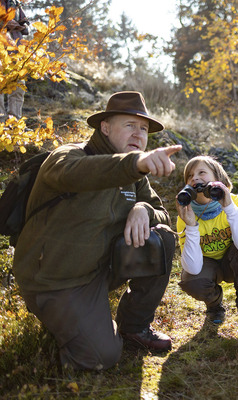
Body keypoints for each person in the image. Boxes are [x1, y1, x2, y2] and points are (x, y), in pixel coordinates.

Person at [12, 91, 182, 370]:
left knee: (161, 236)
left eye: (143, 129)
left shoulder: (135, 174)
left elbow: (161, 212)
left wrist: (143, 209)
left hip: (99, 268)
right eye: (129, 125)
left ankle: (134, 326)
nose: (138, 134)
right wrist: (135, 164)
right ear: (105, 127)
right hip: (55, 280)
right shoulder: (68, 156)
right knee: (103, 356)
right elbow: (82, 172)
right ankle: (70, 324)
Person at [176, 155, 238, 341]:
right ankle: (214, 305)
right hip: (207, 265)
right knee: (192, 280)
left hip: (234, 262)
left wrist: (229, 208)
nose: (195, 178)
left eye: (201, 172)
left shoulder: (236, 203)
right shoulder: (185, 214)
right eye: (190, 176)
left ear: (217, 178)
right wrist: (191, 225)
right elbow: (193, 269)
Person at [0, 0, 29, 121]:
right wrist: (5, 24)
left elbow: (26, 27)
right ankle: (1, 122)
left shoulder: (15, 2)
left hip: (16, 51)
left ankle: (14, 122)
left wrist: (21, 26)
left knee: (18, 86)